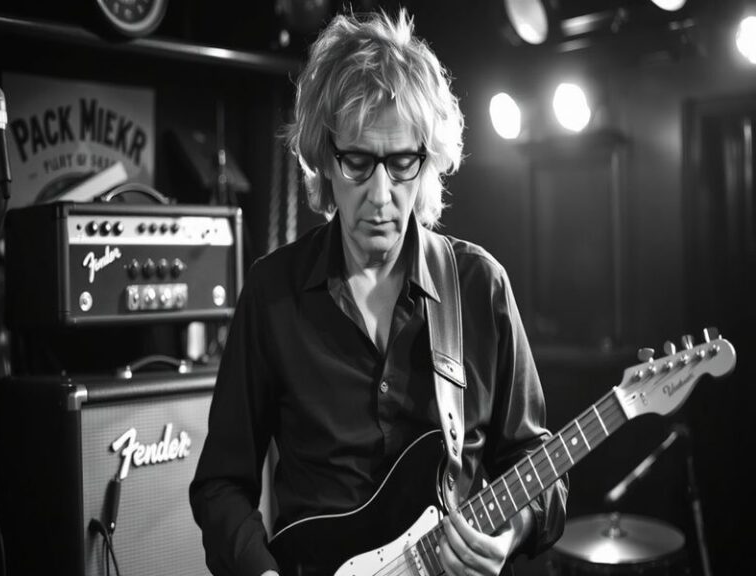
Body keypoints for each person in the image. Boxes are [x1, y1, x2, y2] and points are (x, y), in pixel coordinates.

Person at [190, 8, 568, 576]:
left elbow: (541, 465)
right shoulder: (273, 293)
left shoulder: (477, 286)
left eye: (402, 163)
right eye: (359, 163)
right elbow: (221, 483)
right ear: (324, 158)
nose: (381, 195)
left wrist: (510, 534)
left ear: (429, 161)